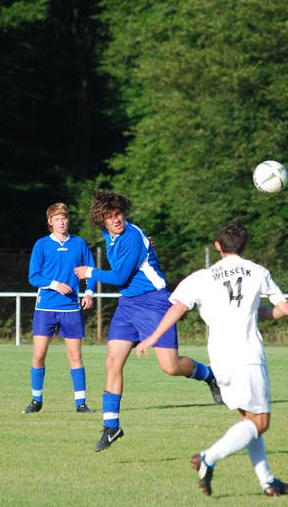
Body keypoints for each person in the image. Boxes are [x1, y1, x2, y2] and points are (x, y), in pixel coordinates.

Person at [137, 221, 288, 497]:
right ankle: (207, 458)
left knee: (248, 419)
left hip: (219, 360)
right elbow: (285, 308)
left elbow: (177, 308)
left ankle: (268, 482)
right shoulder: (258, 271)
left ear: (218, 246)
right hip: (247, 356)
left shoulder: (202, 276)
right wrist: (265, 313)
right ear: (246, 246)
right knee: (260, 423)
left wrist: (153, 337)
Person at [74, 189, 222, 452]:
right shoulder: (109, 234)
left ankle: (210, 375)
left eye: (118, 213)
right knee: (112, 361)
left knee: (171, 366)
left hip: (153, 302)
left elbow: (119, 276)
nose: (115, 219)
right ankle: (111, 426)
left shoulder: (130, 235)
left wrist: (90, 272)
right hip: (127, 305)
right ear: (102, 220)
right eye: (109, 216)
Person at [24, 203, 97, 414]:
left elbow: (90, 272)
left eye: (64, 217)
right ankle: (36, 401)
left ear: (68, 220)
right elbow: (33, 276)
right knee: (38, 355)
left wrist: (89, 293)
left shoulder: (80, 244)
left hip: (71, 309)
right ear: (50, 222)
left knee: (75, 356)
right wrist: (55, 284)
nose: (61, 221)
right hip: (45, 308)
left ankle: (81, 404)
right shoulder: (41, 245)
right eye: (56, 218)